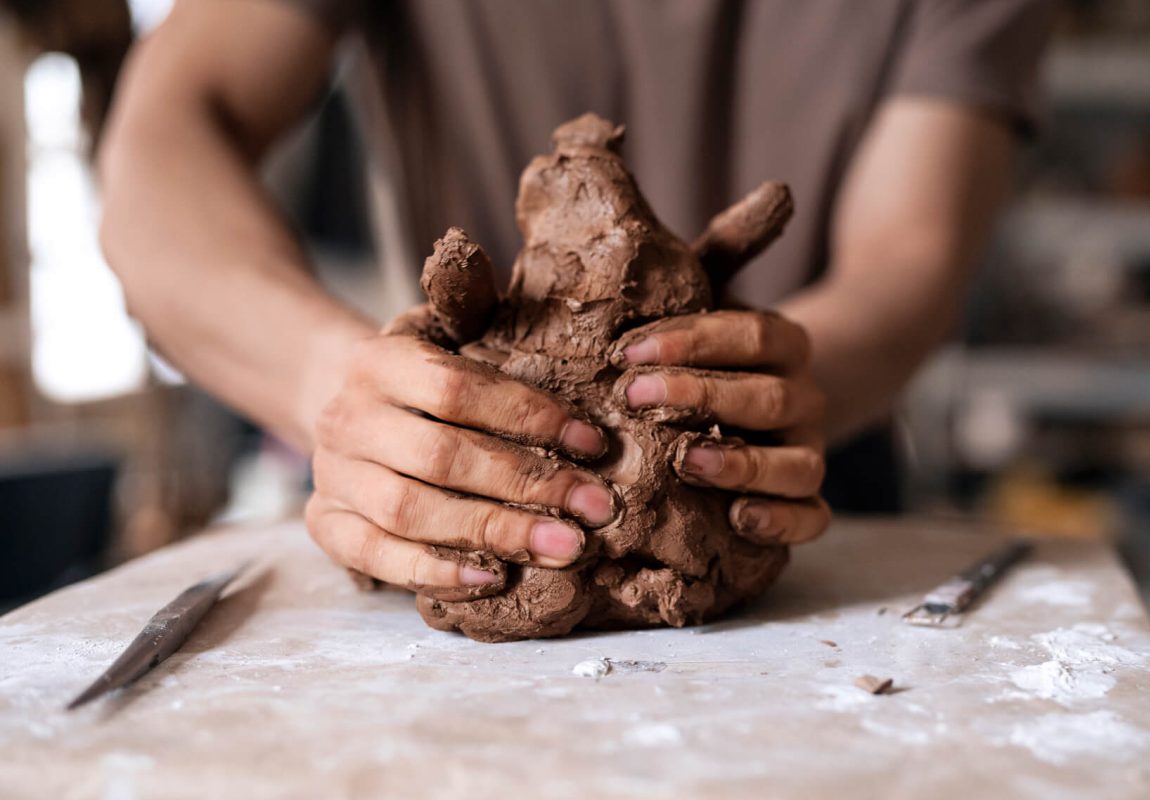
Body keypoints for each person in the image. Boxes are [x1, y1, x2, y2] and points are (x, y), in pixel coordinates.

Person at [98, 1, 1051, 593]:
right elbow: (158, 154)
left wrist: (761, 386)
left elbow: (908, 259)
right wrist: (340, 384)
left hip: (788, 460)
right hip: (466, 462)